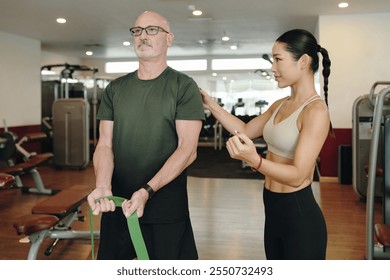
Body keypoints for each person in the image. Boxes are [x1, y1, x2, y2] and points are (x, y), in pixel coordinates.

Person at [200, 29, 332, 260]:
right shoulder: (280, 104)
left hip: (298, 214)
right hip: (273, 208)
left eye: (278, 59)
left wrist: (255, 160)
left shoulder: (316, 111)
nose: (273, 67)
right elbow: (245, 130)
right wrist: (211, 105)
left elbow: (298, 175)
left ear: (303, 61)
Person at [87, 11, 205, 260]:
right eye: (137, 30)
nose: (142, 36)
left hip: (164, 206)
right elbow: (105, 144)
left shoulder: (183, 86)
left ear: (169, 39)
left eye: (152, 30)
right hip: (117, 203)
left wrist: (146, 191)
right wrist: (102, 186)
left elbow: (187, 149)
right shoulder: (115, 88)